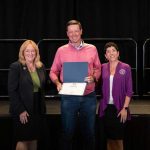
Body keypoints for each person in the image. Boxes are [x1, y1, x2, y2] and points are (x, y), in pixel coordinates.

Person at [50, 19, 101, 150]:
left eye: (76, 31)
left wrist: (94, 77)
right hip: (68, 97)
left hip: (88, 96)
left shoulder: (92, 49)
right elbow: (53, 71)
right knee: (67, 133)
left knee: (89, 133)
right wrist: (57, 82)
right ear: (67, 33)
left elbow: (98, 68)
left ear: (81, 31)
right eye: (70, 32)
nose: (73, 34)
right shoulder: (61, 50)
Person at [8, 40, 47, 150]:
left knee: (34, 138)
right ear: (23, 52)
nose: (30, 53)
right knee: (23, 139)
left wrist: (60, 84)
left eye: (33, 51)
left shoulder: (40, 66)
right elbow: (12, 91)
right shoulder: (16, 67)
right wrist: (20, 110)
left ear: (36, 52)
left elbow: (45, 85)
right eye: (27, 51)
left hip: (37, 108)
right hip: (23, 108)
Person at [98, 42, 133, 150]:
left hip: (120, 108)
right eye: (108, 51)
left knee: (118, 139)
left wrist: (125, 108)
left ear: (118, 53)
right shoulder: (102, 67)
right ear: (105, 56)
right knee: (109, 138)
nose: (111, 53)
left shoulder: (125, 67)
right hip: (106, 108)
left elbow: (129, 90)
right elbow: (94, 80)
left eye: (113, 50)